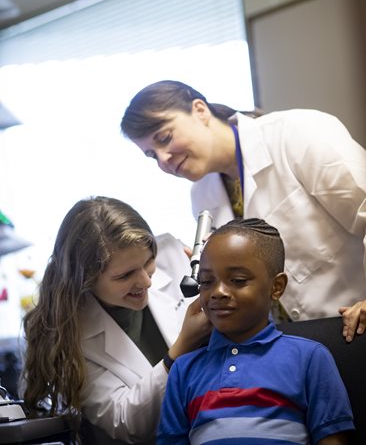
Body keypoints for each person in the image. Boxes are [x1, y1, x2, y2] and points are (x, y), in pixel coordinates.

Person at [120, 80, 366, 340]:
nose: (163, 159)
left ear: (200, 110)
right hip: (292, 341)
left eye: (164, 138)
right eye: (151, 155)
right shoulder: (202, 195)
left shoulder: (296, 133)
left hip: (355, 320)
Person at [21, 196, 211, 444]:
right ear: (86, 279)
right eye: (125, 275)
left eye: (148, 262)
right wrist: (181, 348)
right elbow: (127, 425)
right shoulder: (71, 337)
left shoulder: (173, 256)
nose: (146, 281)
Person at [157, 218, 355, 445]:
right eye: (206, 281)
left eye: (238, 280)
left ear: (276, 287)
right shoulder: (184, 370)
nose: (218, 292)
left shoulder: (309, 358)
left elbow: (333, 439)